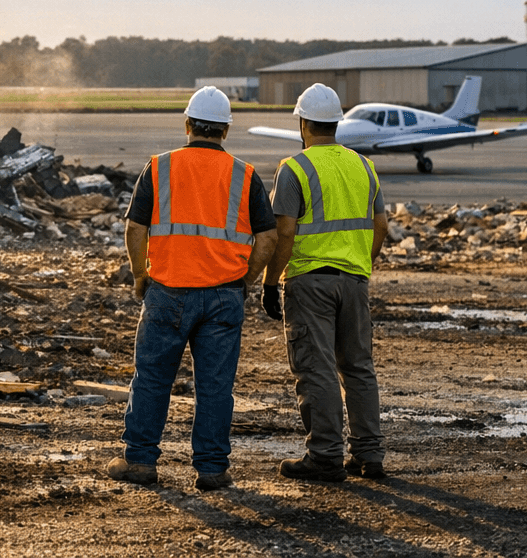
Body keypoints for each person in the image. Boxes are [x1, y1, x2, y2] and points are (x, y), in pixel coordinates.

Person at [105, 86, 279, 491]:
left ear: (187, 124)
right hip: (224, 295)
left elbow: (135, 228)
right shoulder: (246, 175)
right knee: (215, 386)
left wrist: (139, 275)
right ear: (225, 131)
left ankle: (140, 461)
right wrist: (245, 280)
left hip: (167, 290)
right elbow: (268, 239)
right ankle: (212, 468)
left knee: (151, 378)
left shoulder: (159, 167)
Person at [262, 83, 389, 482]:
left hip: (310, 282)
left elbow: (283, 233)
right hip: (354, 280)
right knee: (358, 368)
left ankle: (326, 455)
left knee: (316, 369)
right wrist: (357, 265)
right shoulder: (363, 166)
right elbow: (381, 225)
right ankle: (369, 455)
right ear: (336, 122)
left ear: (303, 123)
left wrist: (269, 282)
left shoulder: (294, 168)